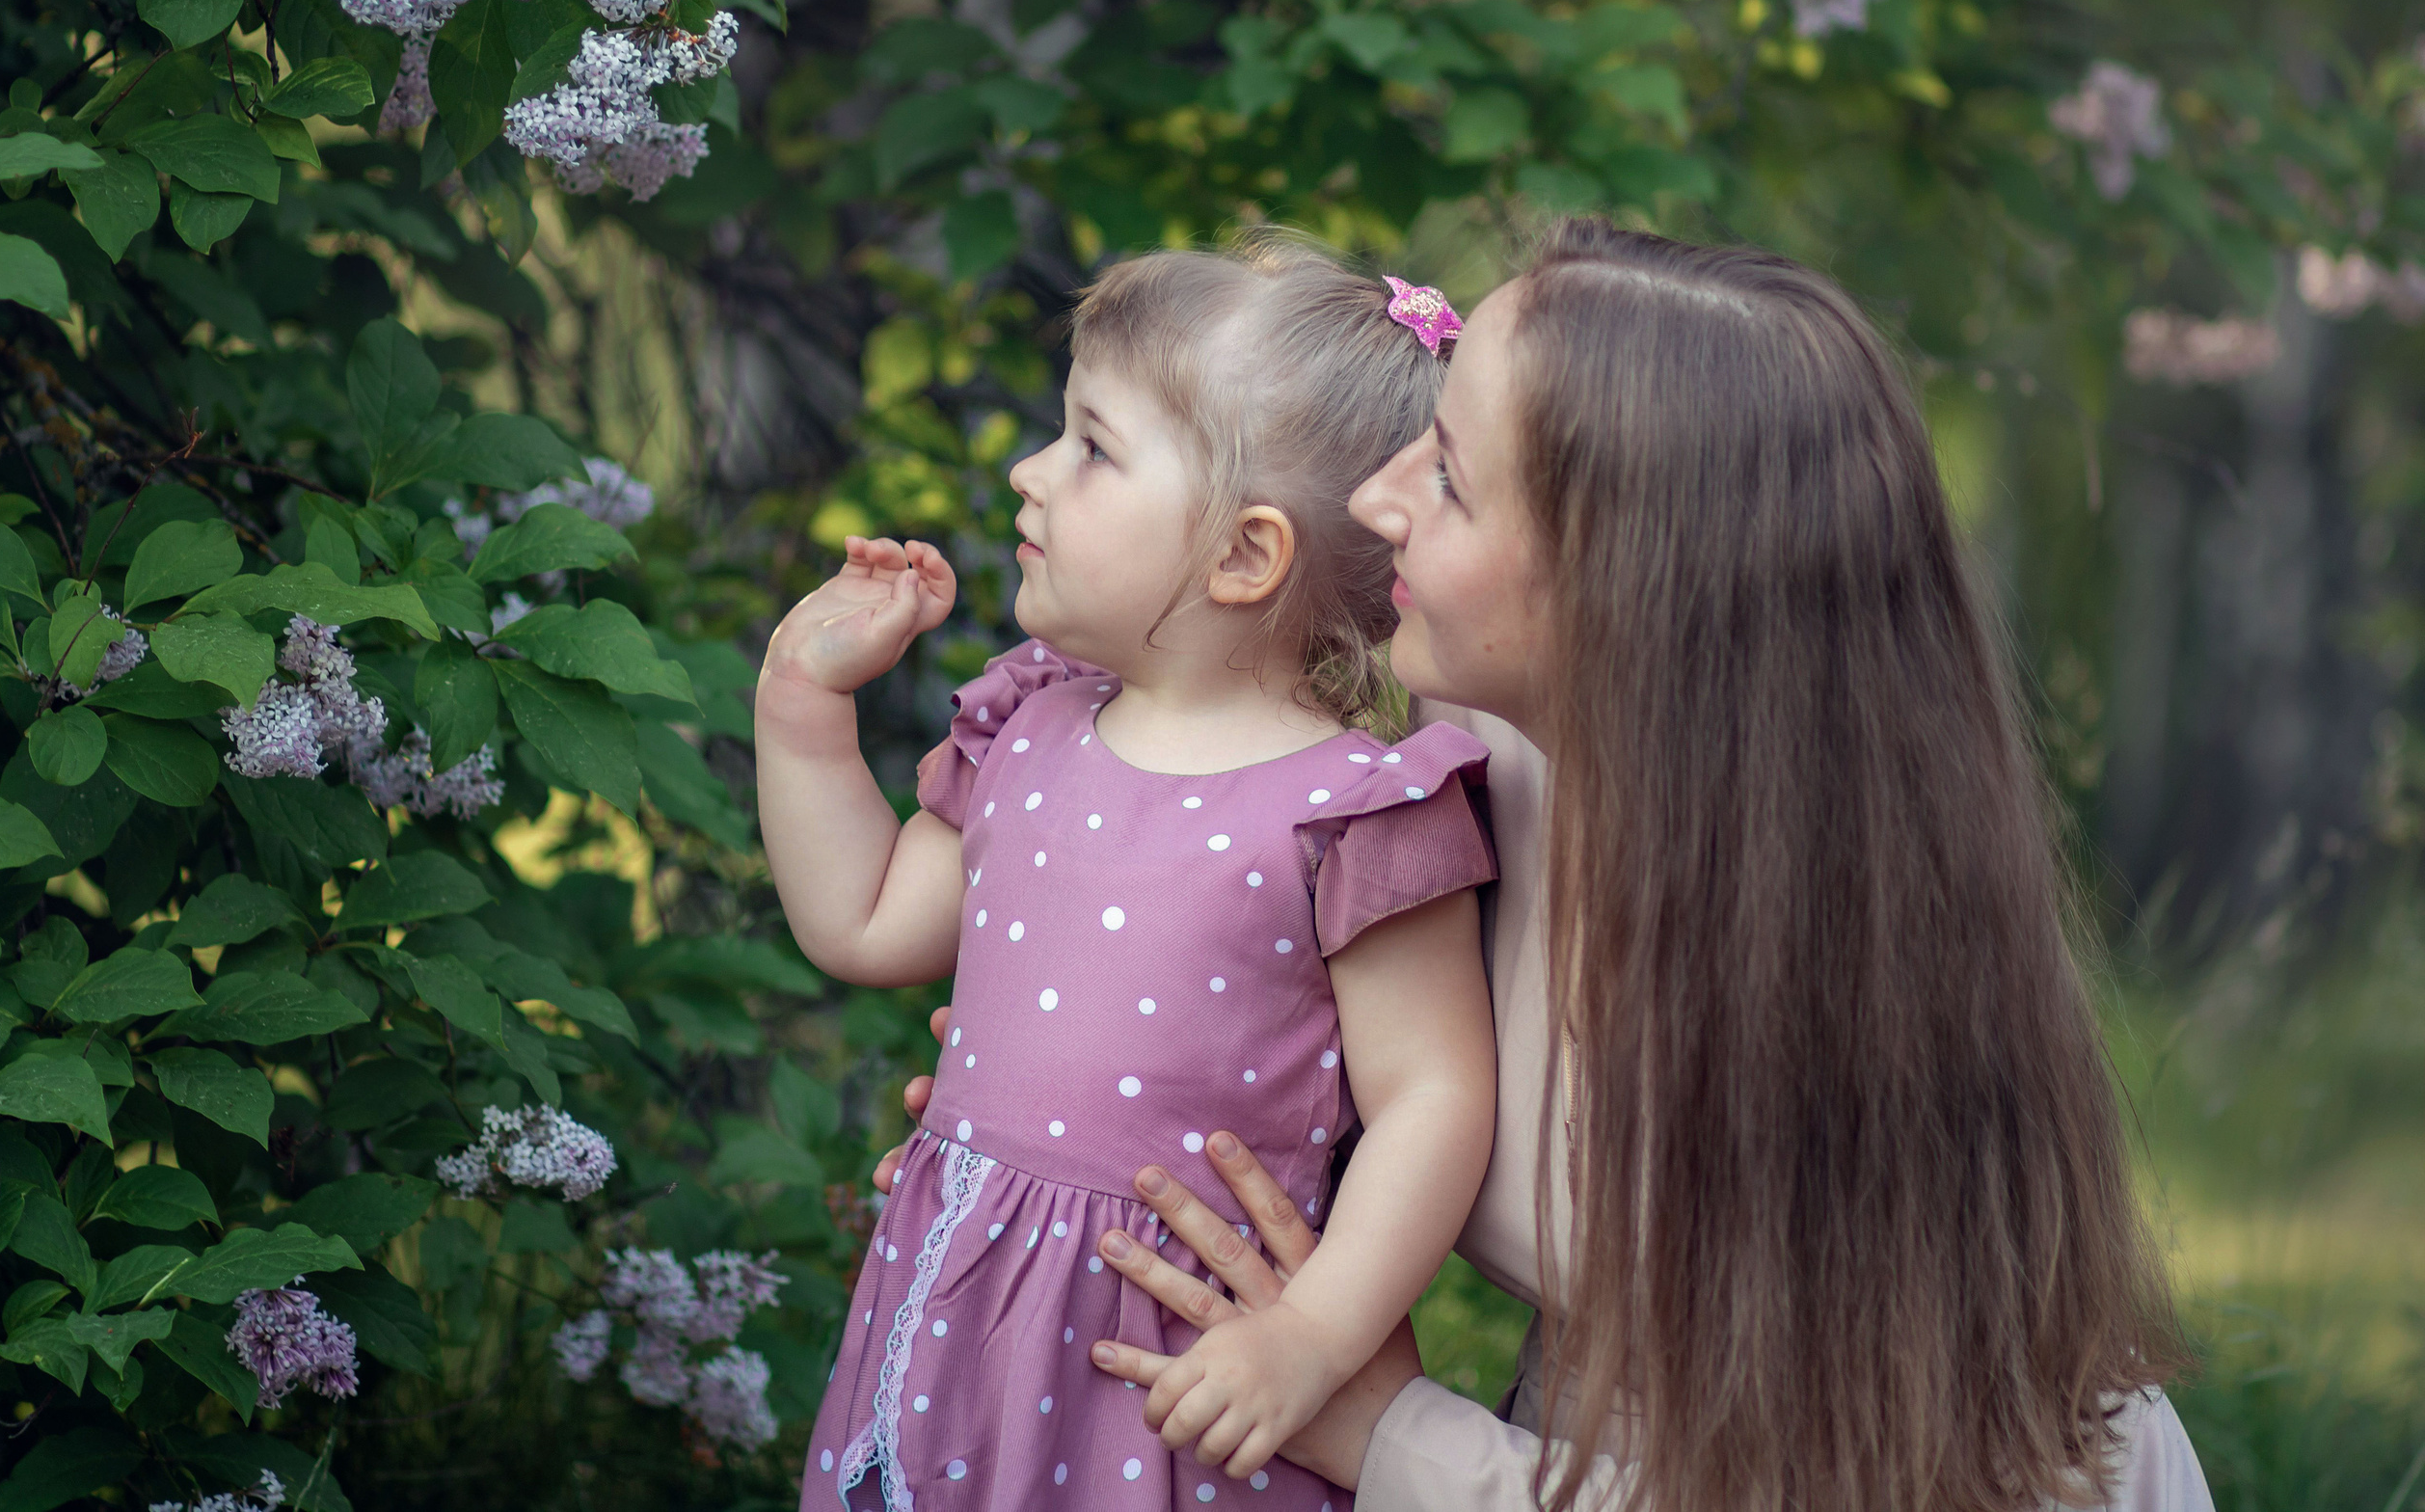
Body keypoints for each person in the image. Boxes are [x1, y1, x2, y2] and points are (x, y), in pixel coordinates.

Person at [885, 220, 2217, 1512]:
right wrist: (1065, 1150)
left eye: (1450, 478)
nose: (1372, 500)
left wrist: (1389, 1433)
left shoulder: (1815, 981)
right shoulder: (1467, 756)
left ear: (1625, 583)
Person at [759, 236, 1503, 1511]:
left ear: (1241, 558)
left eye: (1091, 448)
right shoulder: (1028, 726)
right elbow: (868, 920)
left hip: (1169, 1361)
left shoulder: (1353, 813)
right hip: (963, 1322)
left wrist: (1310, 1338)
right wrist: (801, 710)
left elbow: (1435, 1098)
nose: (1027, 473)